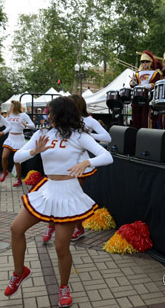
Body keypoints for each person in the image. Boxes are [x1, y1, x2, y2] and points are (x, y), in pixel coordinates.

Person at [5, 96, 113, 307]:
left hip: (69, 194)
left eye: (50, 112)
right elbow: (17, 158)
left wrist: (87, 162)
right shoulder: (42, 133)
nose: (47, 115)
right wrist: (35, 151)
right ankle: (19, 272)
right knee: (16, 228)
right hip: (47, 190)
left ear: (60, 113)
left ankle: (64, 286)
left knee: (61, 247)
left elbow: (107, 156)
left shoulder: (79, 135)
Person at [42, 94, 112, 243]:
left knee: (72, 198)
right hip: (63, 161)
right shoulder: (59, 124)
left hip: (79, 163)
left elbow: (107, 137)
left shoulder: (89, 121)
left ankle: (75, 227)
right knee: (54, 195)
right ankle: (51, 224)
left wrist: (87, 135)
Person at [0, 100, 35, 187]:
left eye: (11, 106)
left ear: (15, 106)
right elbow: (1, 124)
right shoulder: (9, 115)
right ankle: (5, 172)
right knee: (4, 157)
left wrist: (26, 125)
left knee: (17, 161)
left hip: (19, 138)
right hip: (10, 138)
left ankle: (18, 179)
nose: (10, 107)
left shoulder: (23, 115)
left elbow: (33, 125)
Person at [129, 50, 162, 129]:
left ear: (150, 62)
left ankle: (147, 137)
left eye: (147, 61)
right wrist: (133, 81)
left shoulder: (155, 73)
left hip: (148, 98)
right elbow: (132, 85)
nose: (144, 63)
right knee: (136, 118)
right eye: (143, 62)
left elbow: (155, 84)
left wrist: (146, 86)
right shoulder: (137, 73)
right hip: (137, 98)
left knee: (146, 119)